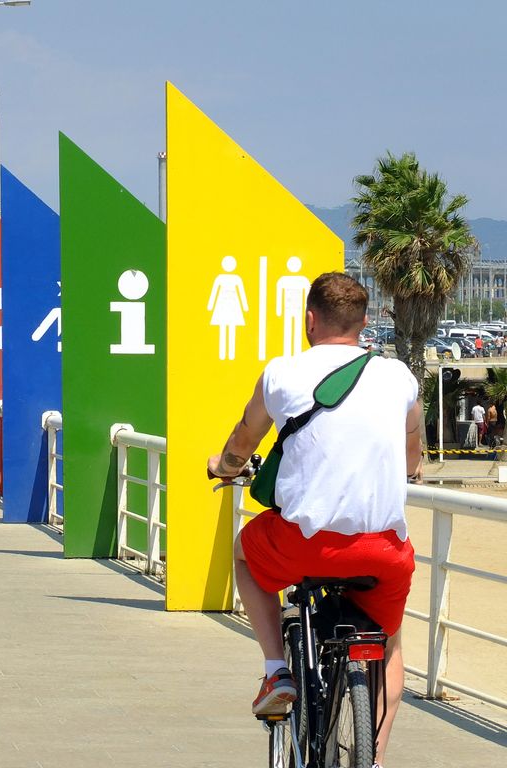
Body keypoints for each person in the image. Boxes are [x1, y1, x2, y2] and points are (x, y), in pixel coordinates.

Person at [207, 273, 420, 768]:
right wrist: (409, 468)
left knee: (243, 550)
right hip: (382, 550)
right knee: (387, 645)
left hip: (304, 544)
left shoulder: (282, 374)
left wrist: (226, 466)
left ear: (309, 319)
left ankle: (277, 669)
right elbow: (413, 451)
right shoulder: (398, 377)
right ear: (365, 323)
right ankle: (375, 758)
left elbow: (244, 438)